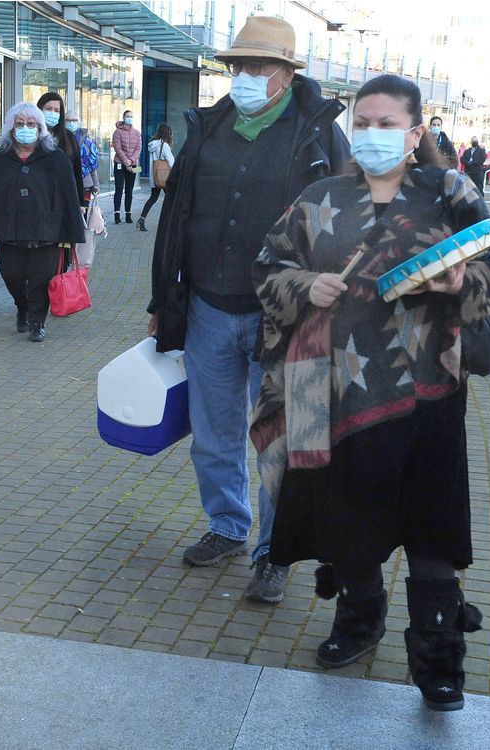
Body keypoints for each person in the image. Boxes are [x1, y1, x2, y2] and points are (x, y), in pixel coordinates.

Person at [251, 74, 490, 711]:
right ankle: (359, 619)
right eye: (363, 123)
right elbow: (267, 269)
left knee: (431, 532)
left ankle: (438, 658)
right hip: (332, 393)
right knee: (349, 524)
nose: (373, 134)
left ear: (415, 131)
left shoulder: (450, 191)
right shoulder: (319, 198)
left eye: (387, 123)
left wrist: (456, 283)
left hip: (428, 393)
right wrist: (304, 286)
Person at [147, 16, 350, 604]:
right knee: (213, 434)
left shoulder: (317, 135)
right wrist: (165, 299)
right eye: (239, 66)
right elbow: (175, 219)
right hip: (209, 306)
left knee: (280, 439)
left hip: (287, 317)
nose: (245, 77)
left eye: (259, 67)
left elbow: (346, 226)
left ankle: (274, 550)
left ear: (288, 74)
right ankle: (227, 527)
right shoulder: (207, 128)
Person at [0, 102, 84, 342]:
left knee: (41, 280)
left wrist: (70, 234)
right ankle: (22, 306)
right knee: (11, 276)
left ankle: (37, 322)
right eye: (20, 124)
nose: (26, 128)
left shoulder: (55, 159)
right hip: (9, 232)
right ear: (11, 129)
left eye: (31, 124)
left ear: (40, 127)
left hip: (46, 232)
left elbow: (68, 197)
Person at [37, 93, 86, 209]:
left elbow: (76, 172)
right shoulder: (33, 137)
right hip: (39, 200)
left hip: (64, 201)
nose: (52, 113)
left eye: (56, 110)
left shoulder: (69, 138)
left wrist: (80, 203)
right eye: (48, 109)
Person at [136, 123, 173, 232]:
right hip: (165, 177)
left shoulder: (152, 145)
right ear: (167, 133)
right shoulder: (164, 145)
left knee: (153, 198)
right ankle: (169, 223)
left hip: (156, 178)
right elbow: (171, 162)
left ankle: (141, 219)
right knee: (171, 199)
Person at [111, 110, 141, 224]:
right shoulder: (117, 132)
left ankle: (128, 214)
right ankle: (117, 214)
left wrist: (131, 161)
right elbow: (118, 148)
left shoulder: (137, 133)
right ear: (123, 117)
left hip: (133, 165)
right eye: (128, 116)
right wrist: (126, 162)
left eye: (131, 116)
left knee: (129, 190)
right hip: (119, 163)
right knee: (119, 189)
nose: (129, 118)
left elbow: (138, 149)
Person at [66, 110, 100, 201]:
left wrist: (96, 185)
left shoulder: (87, 142)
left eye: (74, 120)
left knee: (83, 212)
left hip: (85, 184)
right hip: (65, 185)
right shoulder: (59, 139)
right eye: (68, 120)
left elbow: (92, 164)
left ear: (79, 122)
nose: (71, 123)